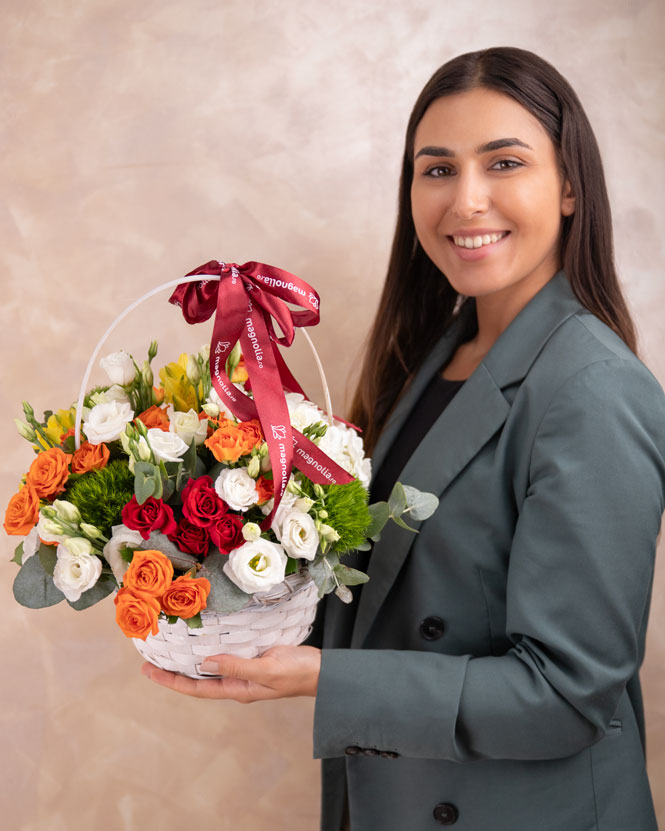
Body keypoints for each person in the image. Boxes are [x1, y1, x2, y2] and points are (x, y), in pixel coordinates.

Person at [141, 46, 665, 831]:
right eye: (437, 169)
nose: (466, 201)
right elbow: (394, 591)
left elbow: (565, 695)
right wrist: (196, 555)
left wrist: (324, 678)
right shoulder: (434, 354)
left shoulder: (592, 389)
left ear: (567, 187)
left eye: (503, 162)